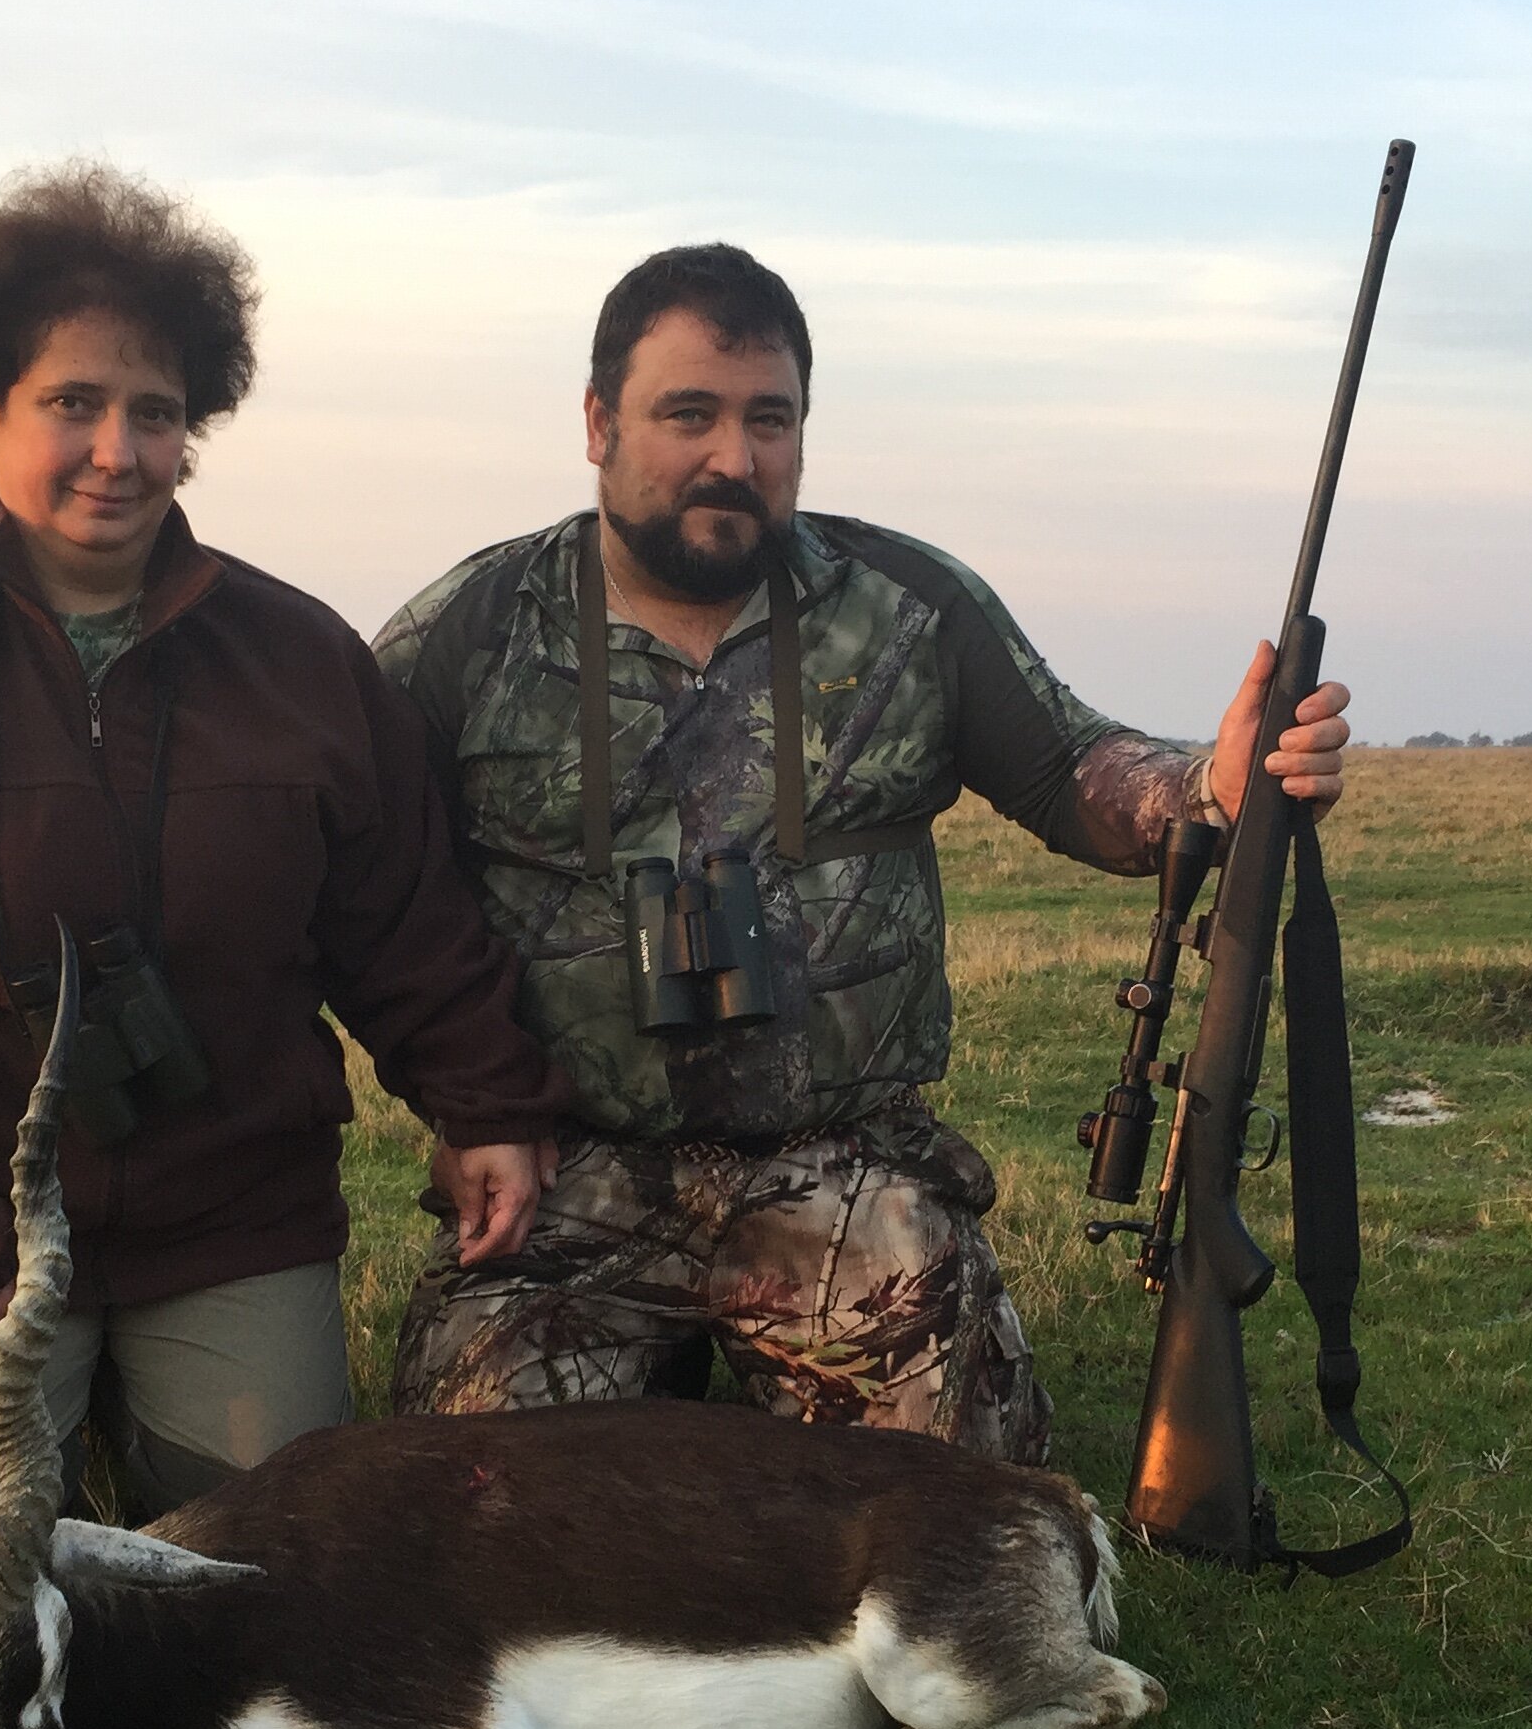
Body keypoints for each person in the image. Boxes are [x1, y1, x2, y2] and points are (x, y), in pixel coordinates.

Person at [373, 242, 1348, 1462]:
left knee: (956, 1510)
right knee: (476, 1518)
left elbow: (1070, 771)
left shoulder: (908, 605)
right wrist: (469, 1106)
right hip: (566, 1177)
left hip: (841, 1175)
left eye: (769, 420)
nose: (735, 457)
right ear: (596, 422)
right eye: (691, 414)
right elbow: (358, 870)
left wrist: (1209, 782)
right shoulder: (473, 628)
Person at [0, 163, 567, 1529]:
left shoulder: (299, 661)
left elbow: (403, 919)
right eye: (74, 403)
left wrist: (487, 1106)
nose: (117, 450)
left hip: (227, 1220)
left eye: (157, 413)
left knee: (269, 1580)